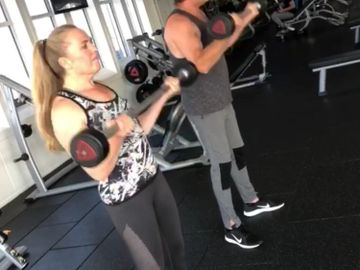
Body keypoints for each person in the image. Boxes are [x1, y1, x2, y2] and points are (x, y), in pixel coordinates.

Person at [31, 24, 187, 270]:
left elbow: (138, 131)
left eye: (91, 41)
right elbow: (98, 173)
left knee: (177, 251)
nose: (94, 48)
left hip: (154, 179)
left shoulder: (103, 88)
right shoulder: (65, 109)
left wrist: (165, 93)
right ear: (65, 62)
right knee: (154, 266)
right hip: (127, 199)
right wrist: (116, 134)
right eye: (85, 45)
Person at [164, 0, 285, 249]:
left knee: (237, 153)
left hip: (221, 97)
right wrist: (232, 26)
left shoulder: (198, 12)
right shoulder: (178, 24)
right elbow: (203, 63)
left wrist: (244, 19)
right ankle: (231, 225)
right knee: (221, 164)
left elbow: (225, 43)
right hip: (204, 107)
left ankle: (251, 201)